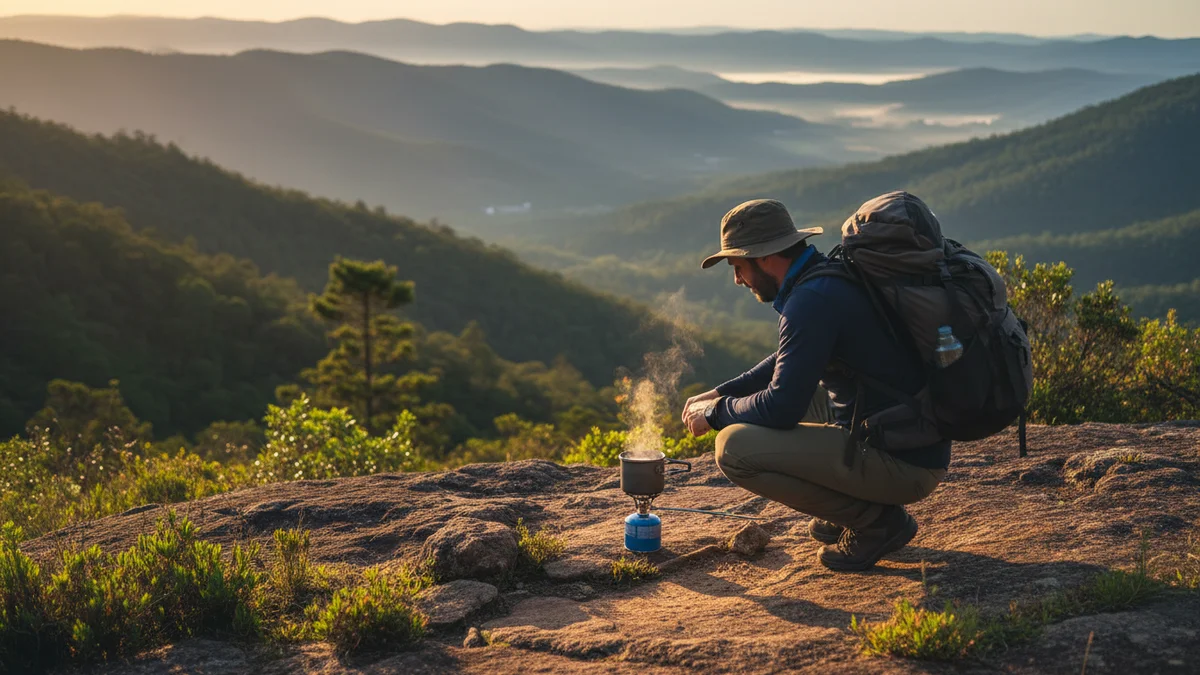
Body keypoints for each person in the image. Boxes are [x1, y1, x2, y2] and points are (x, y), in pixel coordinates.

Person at [680, 198, 949, 572]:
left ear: (765, 257)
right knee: (793, 391)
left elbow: (782, 406)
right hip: (909, 434)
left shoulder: (811, 299)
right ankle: (854, 505)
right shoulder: (826, 276)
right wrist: (724, 391)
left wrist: (716, 413)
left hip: (906, 464)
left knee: (733, 447)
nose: (737, 279)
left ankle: (876, 522)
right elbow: (790, 359)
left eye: (738, 267)